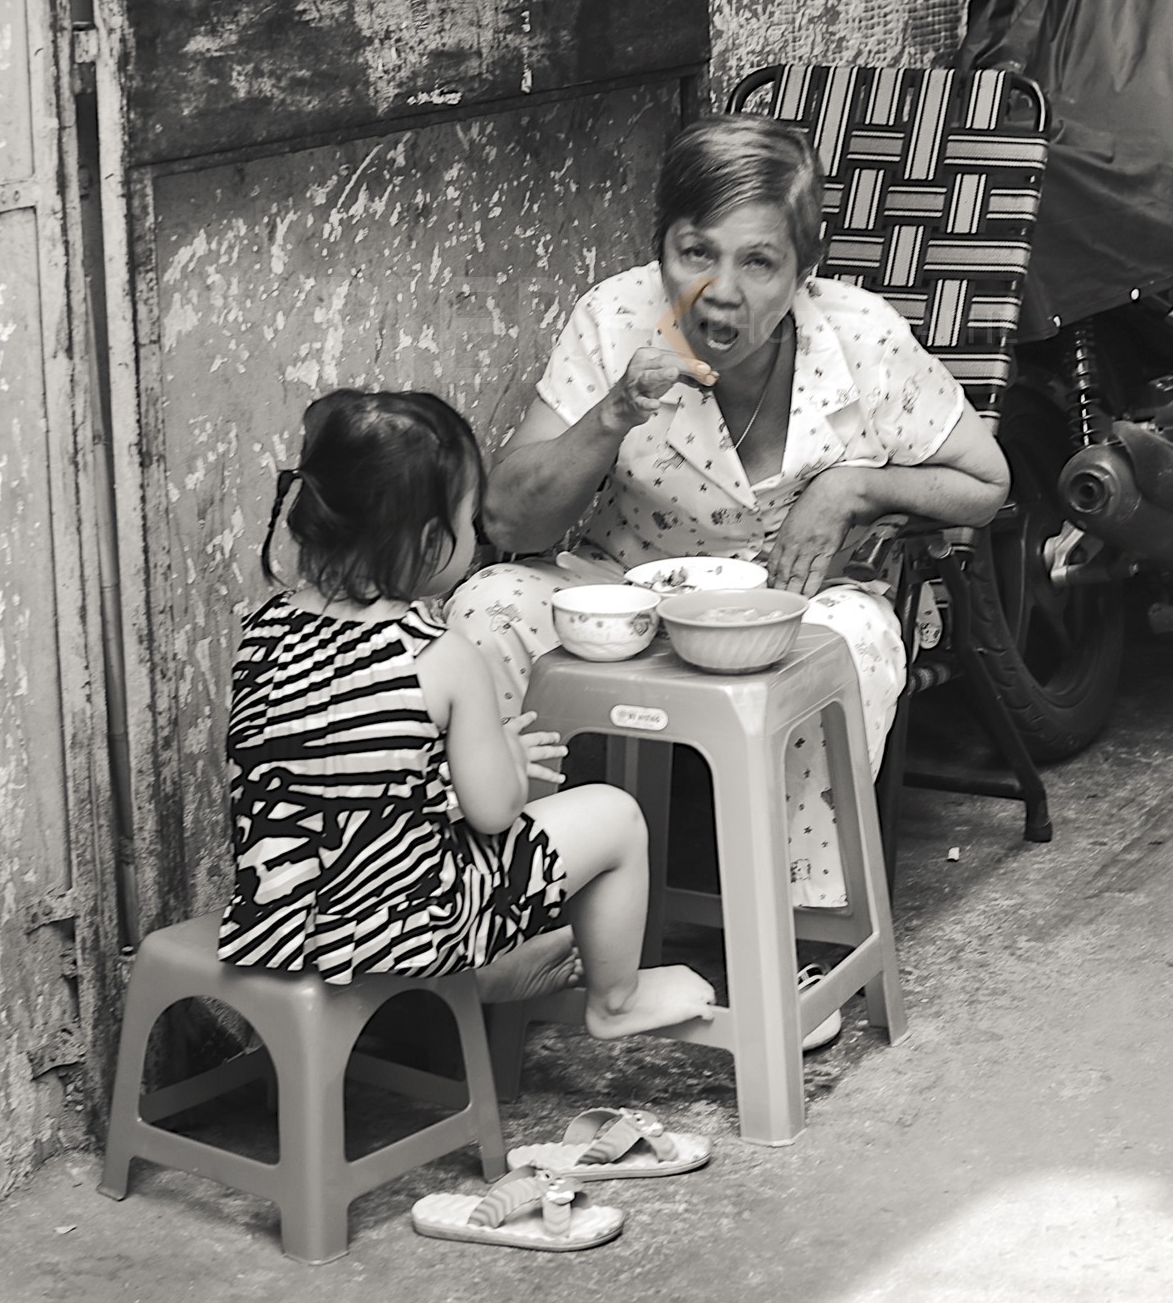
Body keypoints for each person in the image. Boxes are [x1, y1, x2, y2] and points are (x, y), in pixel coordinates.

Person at [446, 119, 1009, 913]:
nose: (720, 290)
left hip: (802, 599)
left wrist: (853, 488)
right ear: (659, 248)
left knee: (847, 642)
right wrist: (610, 415)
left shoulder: (858, 335)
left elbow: (984, 483)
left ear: (803, 269)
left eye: (758, 261)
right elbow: (507, 523)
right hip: (629, 594)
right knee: (488, 605)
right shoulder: (615, 318)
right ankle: (517, 910)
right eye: (695, 251)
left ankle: (800, 927)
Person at [217, 388, 715, 1042]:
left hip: (278, 920)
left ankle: (491, 972)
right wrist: (504, 759)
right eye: (466, 520)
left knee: (408, 843)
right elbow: (494, 814)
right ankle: (616, 999)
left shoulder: (262, 632)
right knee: (616, 819)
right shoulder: (438, 653)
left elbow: (278, 777)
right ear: (431, 542)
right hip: (410, 928)